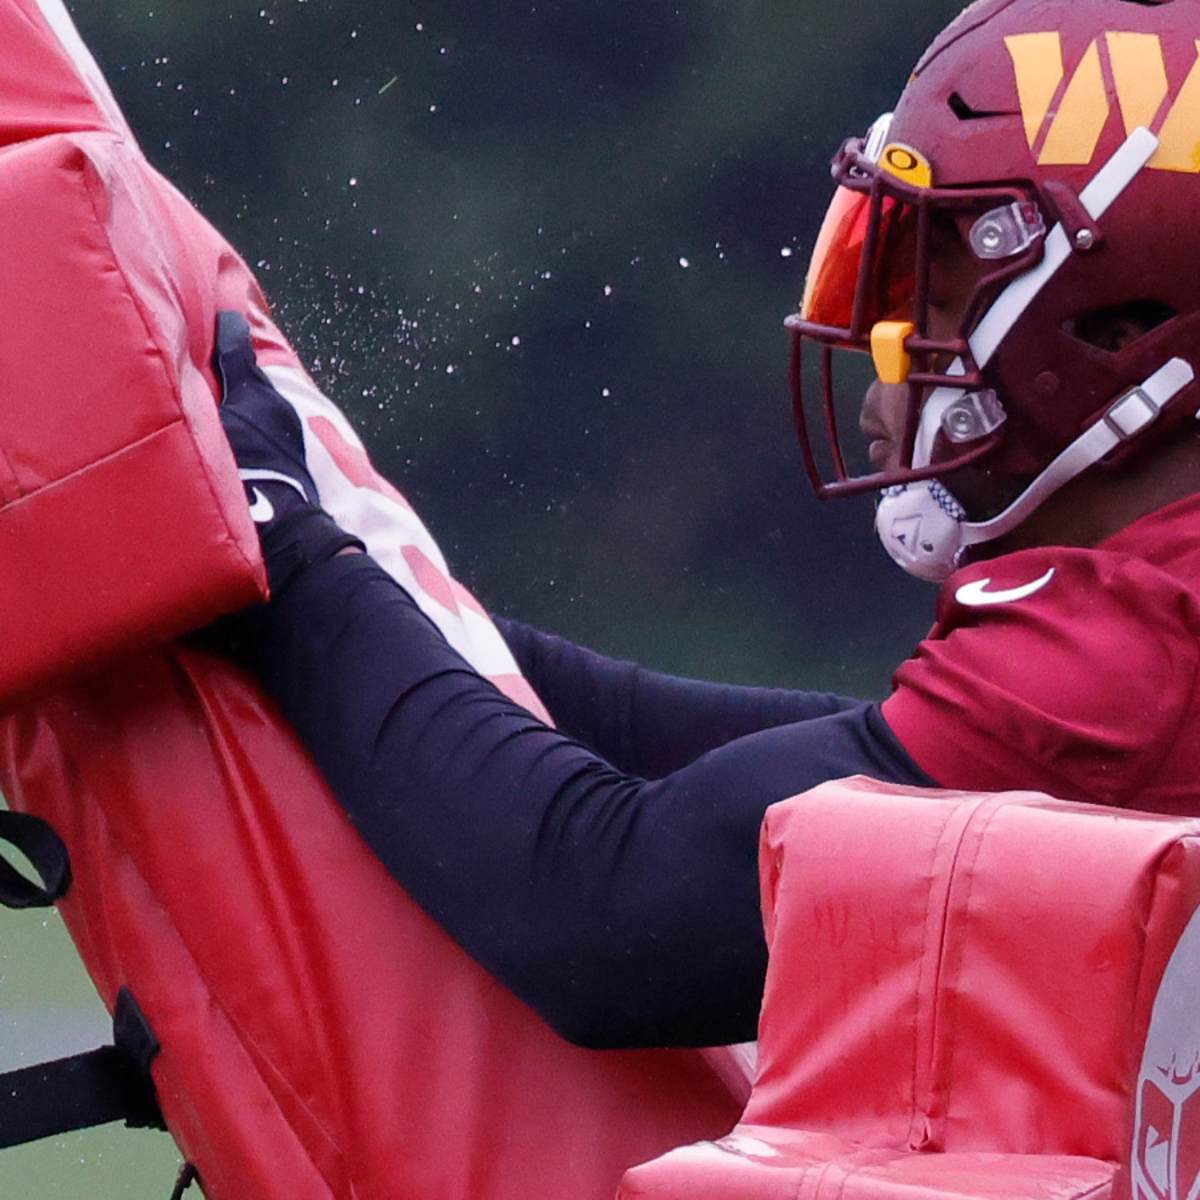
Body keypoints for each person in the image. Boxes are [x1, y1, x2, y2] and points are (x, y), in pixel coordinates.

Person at [213, 0, 1200, 1051]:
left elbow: (607, 915)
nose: (885, 370)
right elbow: (692, 739)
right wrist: (371, 586)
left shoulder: (1130, 657)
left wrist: (295, 569)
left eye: (940, 303)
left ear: (1122, 325)